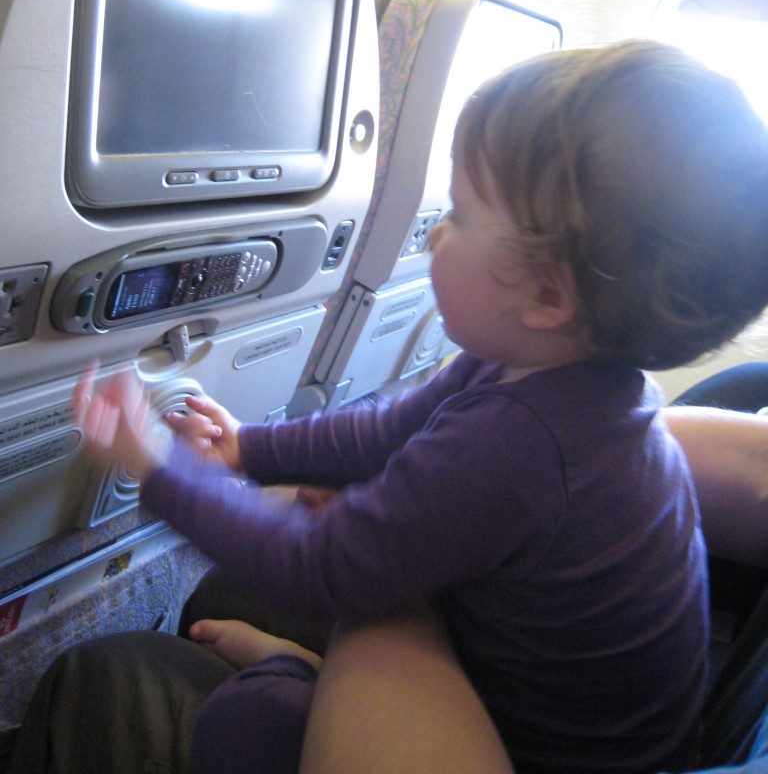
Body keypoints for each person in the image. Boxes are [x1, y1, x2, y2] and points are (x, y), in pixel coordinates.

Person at [12, 40, 768, 774]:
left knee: (247, 719)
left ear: (546, 295)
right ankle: (302, 663)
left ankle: (295, 673)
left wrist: (153, 467)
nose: (437, 229)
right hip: (514, 685)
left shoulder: (524, 447)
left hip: (525, 749)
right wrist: (251, 448)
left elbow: (319, 566)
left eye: (463, 217)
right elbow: (391, 428)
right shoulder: (561, 372)